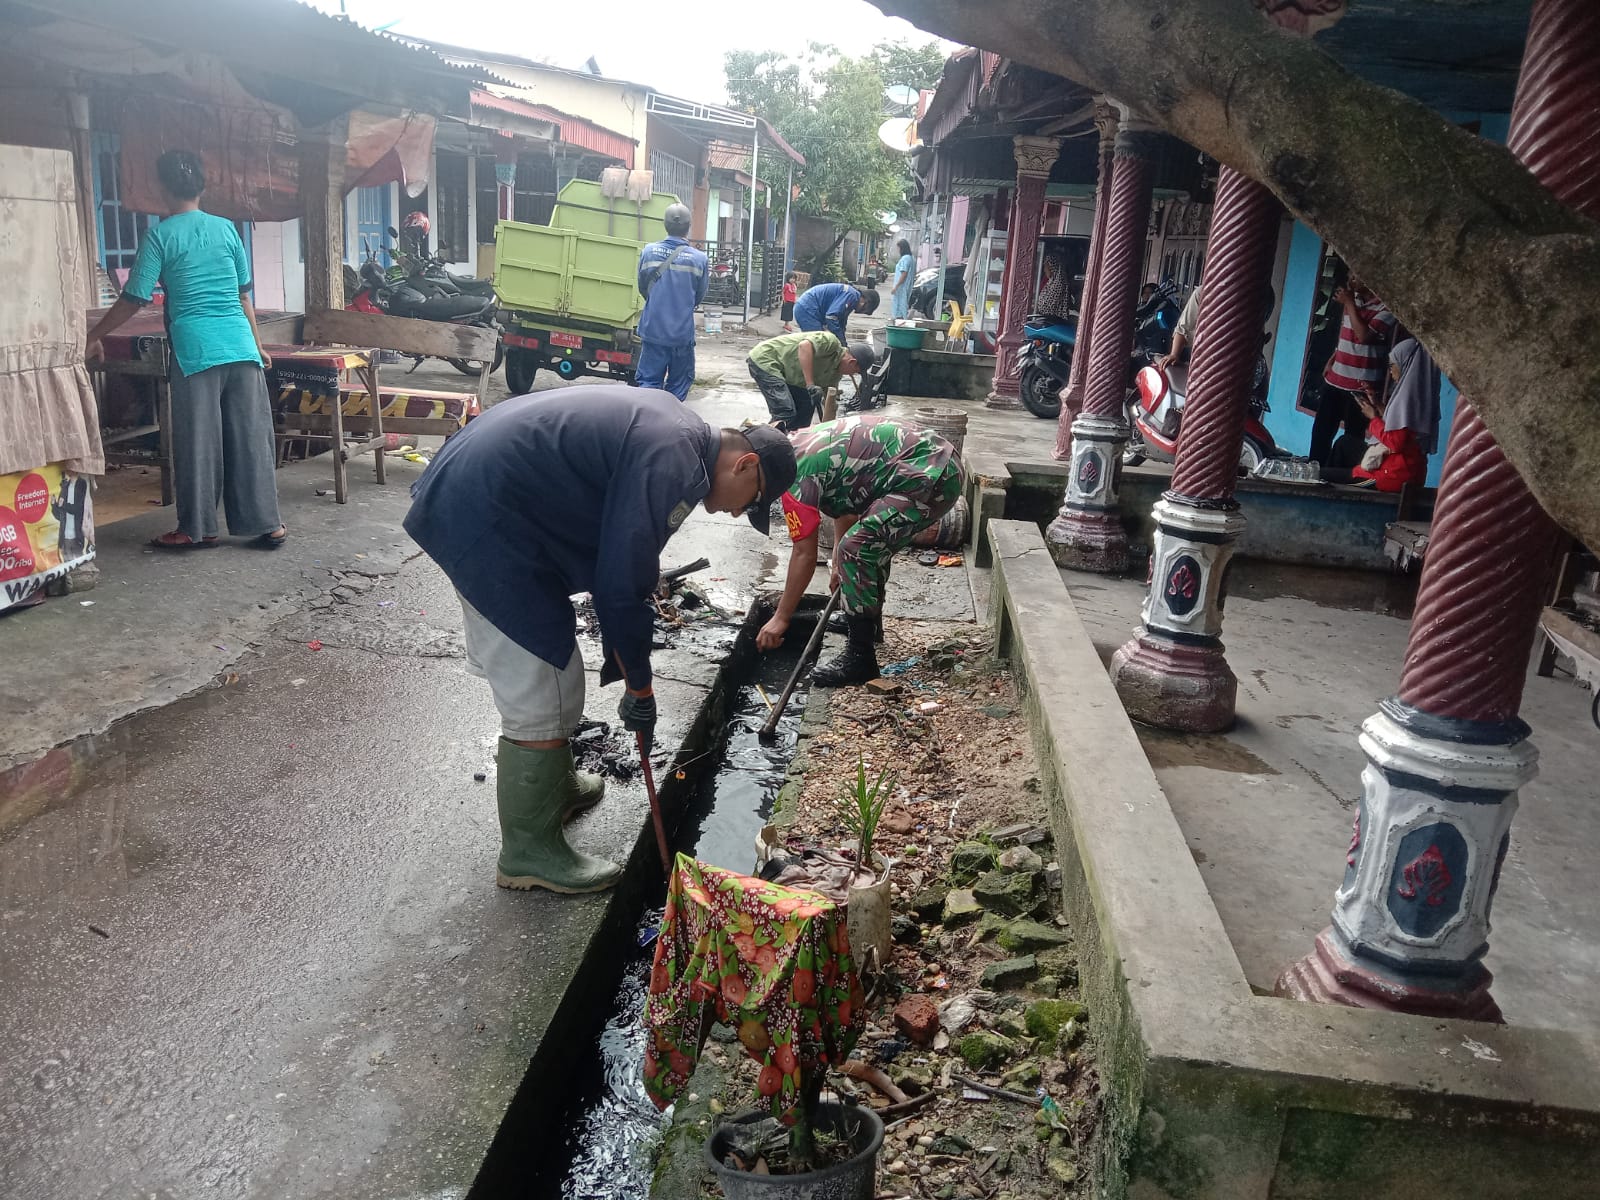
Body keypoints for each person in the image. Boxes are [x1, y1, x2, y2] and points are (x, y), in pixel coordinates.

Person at [404, 385, 796, 895]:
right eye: (753, 503)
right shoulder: (674, 460)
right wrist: (639, 683)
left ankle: (557, 785)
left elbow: (622, 556)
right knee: (543, 684)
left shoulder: (680, 439)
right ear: (745, 465)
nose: (738, 514)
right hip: (483, 516)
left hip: (486, 496)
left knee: (556, 674)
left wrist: (631, 667)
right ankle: (527, 853)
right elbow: (621, 582)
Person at [85, 150, 284, 551]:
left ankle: (196, 528)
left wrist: (94, 334)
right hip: (241, 347)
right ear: (202, 187)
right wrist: (258, 346)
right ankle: (268, 523)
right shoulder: (227, 229)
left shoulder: (161, 236)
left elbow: (135, 297)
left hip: (197, 352)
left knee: (198, 441)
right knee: (250, 437)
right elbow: (243, 295)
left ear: (162, 187)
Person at [755, 416, 965, 685]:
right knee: (866, 543)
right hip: (934, 463)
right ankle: (868, 625)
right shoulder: (800, 447)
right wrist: (838, 565)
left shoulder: (795, 476)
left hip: (931, 474)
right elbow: (847, 508)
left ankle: (860, 657)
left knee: (857, 549)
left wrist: (781, 618)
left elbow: (804, 553)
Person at [1321, 338, 1439, 492]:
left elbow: (1396, 443)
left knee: (1323, 475)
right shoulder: (1419, 395)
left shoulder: (1407, 399)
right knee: (1345, 443)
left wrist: (1373, 418)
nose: (1390, 371)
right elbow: (1399, 426)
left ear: (1405, 364)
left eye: (1392, 365)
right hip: (1402, 467)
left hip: (1392, 475)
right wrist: (1376, 404)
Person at [1309, 275, 1397, 466]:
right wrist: (1332, 360)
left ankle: (1341, 477)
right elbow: (1346, 334)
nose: (1350, 281)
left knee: (1352, 439)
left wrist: (1349, 303)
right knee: (1321, 432)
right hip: (1335, 380)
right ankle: (1314, 472)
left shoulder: (1386, 307)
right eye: (1349, 277)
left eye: (1356, 277)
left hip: (1361, 386)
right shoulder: (1353, 300)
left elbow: (1364, 336)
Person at [635, 204, 708, 402]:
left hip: (653, 331)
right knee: (678, 386)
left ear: (665, 225)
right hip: (681, 335)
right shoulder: (700, 259)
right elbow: (699, 295)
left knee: (648, 384)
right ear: (688, 226)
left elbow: (642, 287)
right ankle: (671, 418)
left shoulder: (649, 251)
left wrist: (658, 301)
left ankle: (649, 417)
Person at [747, 331, 876, 431]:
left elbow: (829, 401)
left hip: (788, 375)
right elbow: (804, 346)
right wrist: (810, 384)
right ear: (852, 362)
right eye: (855, 372)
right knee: (785, 411)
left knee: (805, 411)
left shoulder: (835, 376)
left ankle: (791, 444)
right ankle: (757, 441)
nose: (851, 375)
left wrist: (830, 427)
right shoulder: (830, 342)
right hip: (767, 360)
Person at [792, 281, 879, 341]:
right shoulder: (852, 296)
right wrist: (840, 341)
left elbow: (841, 323)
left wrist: (843, 343)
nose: (860, 312)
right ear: (865, 302)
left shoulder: (852, 298)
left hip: (808, 307)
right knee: (817, 342)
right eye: (864, 311)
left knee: (818, 342)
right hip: (807, 308)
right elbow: (831, 317)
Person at [890, 238, 916, 319]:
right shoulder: (911, 258)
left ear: (902, 248)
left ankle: (900, 320)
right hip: (906, 286)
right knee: (903, 304)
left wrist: (896, 286)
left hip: (901, 287)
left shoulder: (905, 258)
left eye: (898, 248)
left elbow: (904, 274)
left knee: (900, 305)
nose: (898, 250)